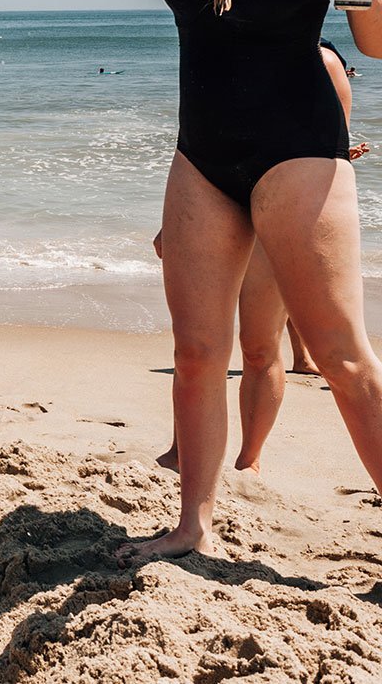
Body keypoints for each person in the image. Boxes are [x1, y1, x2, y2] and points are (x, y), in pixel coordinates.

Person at [120, 0, 382, 563]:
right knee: (197, 354)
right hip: (200, 156)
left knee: (342, 357)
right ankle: (191, 527)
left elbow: (372, 40)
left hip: (296, 154)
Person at [153, 41, 368, 473]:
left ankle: (248, 463)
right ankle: (181, 454)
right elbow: (209, 141)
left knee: (258, 346)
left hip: (284, 210)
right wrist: (173, 224)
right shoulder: (232, 51)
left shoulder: (324, 61)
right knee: (197, 348)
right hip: (223, 204)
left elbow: (332, 154)